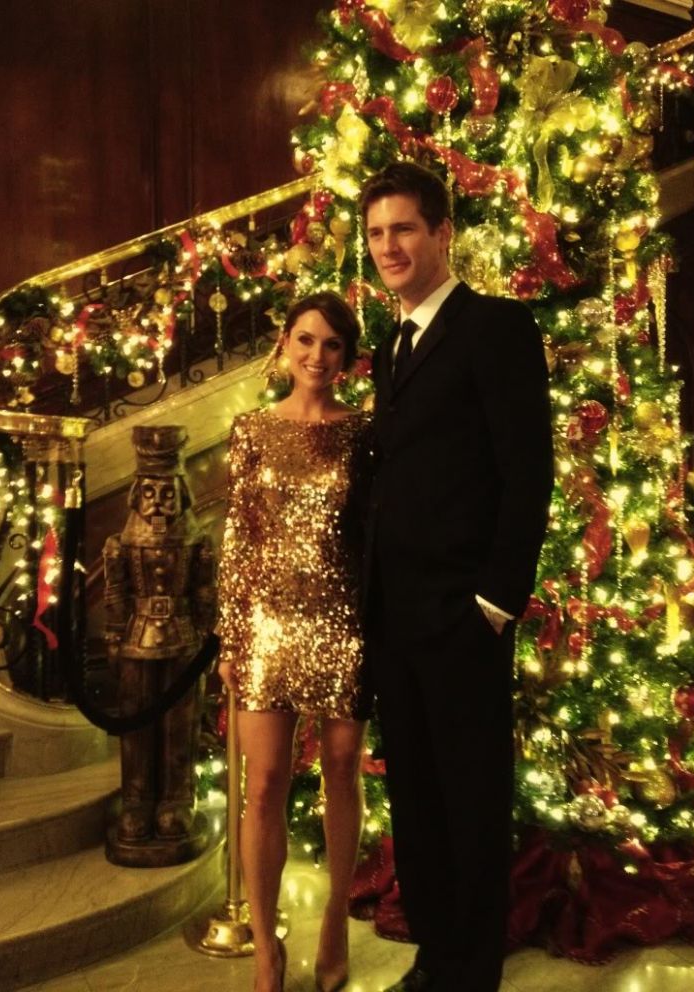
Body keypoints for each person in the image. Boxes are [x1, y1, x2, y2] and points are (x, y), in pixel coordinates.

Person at [360, 161, 554, 992]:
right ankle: (436, 958)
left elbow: (527, 472)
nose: (389, 246)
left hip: (461, 617)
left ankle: (471, 974)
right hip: (394, 618)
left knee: (471, 801)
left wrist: (494, 603)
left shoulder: (496, 327)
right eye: (376, 233)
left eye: (404, 228)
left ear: (443, 233)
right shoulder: (389, 345)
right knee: (417, 800)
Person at [216, 290, 373, 992]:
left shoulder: (364, 433)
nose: (316, 355)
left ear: (347, 358)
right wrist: (231, 637)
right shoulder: (252, 429)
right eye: (306, 339)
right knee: (265, 783)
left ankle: (335, 921)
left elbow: (375, 537)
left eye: (331, 344)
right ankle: (265, 949)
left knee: (341, 771)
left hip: (344, 623)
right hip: (266, 626)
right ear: (284, 344)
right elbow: (238, 539)